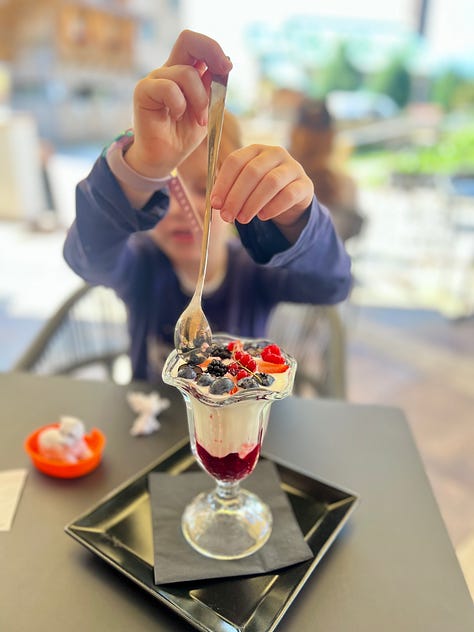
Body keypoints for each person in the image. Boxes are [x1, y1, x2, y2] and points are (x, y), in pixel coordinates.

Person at [63, 30, 352, 383]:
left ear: (239, 197)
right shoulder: (141, 267)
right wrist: (139, 170)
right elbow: (87, 256)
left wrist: (297, 222)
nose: (178, 208)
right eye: (160, 193)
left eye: (203, 189)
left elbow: (332, 285)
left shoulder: (254, 272)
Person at [288, 97, 364, 243]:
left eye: (318, 132)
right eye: (308, 132)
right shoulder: (279, 178)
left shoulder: (344, 185)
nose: (312, 140)